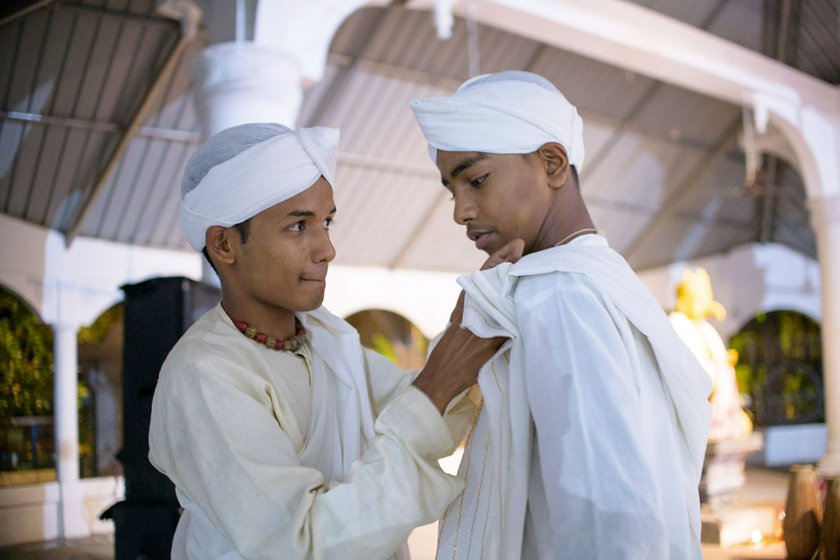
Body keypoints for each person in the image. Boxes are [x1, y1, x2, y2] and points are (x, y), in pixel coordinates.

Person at [148, 123, 507, 560]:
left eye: (327, 222)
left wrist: (468, 339)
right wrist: (434, 388)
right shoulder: (204, 376)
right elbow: (299, 543)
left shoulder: (325, 340)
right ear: (224, 244)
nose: (326, 249)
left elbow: (411, 405)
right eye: (298, 226)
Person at [410, 71, 713, 559]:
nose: (460, 211)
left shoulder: (559, 293)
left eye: (477, 180)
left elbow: (606, 519)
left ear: (552, 163)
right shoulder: (602, 277)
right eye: (452, 190)